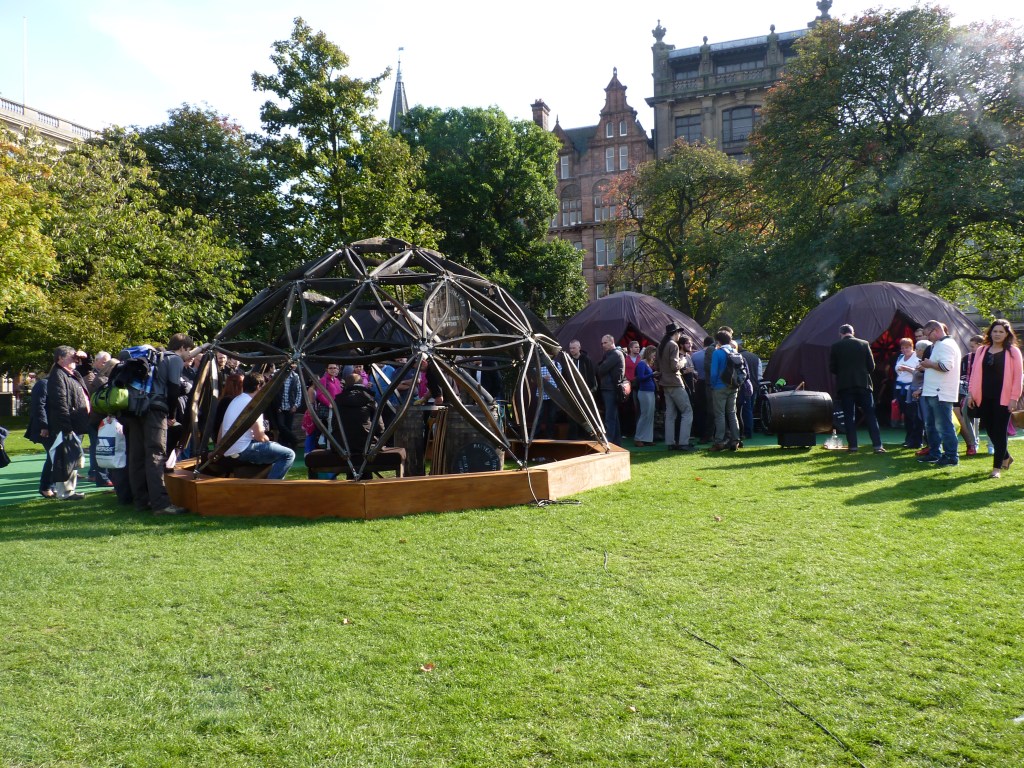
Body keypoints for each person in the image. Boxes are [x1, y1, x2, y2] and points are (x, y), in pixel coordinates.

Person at [122, 333, 194, 515]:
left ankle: (141, 501)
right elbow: (173, 389)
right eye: (189, 351)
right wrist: (172, 414)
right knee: (156, 455)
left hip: (135, 409)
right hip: (155, 411)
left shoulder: (154, 358)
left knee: (136, 455)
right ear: (183, 347)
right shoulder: (175, 360)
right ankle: (161, 504)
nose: (189, 356)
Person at [967, 319, 1023, 478]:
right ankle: (1006, 456)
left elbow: (1018, 377)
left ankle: (996, 468)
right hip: (983, 397)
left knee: (1000, 431)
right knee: (991, 431)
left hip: (1004, 398)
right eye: (995, 331)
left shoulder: (1013, 352)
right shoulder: (982, 350)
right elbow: (974, 374)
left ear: (1007, 334)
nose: (997, 334)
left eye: (1001, 332)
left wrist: (1014, 398)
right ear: (990, 333)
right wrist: (971, 393)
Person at [219, 373, 296, 480]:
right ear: (259, 387)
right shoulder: (253, 405)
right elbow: (259, 436)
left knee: (275, 449)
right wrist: (269, 440)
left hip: (230, 449)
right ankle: (271, 488)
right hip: (243, 449)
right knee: (288, 454)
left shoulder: (236, 400)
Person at [829, 324, 885, 453]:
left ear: (840, 333)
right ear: (852, 332)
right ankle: (877, 446)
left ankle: (853, 446)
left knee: (849, 417)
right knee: (870, 415)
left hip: (845, 385)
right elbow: (871, 367)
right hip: (863, 384)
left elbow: (832, 368)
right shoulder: (864, 344)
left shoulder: (836, 347)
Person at [46, 346, 91, 500]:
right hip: (67, 426)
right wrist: (66, 427)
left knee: (72, 459)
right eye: (71, 356)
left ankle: (69, 490)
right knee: (65, 459)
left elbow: (88, 371)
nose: (75, 359)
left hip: (76, 424)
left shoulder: (72, 374)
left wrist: (85, 358)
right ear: (60, 358)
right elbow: (60, 403)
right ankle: (65, 493)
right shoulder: (58, 375)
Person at [917, 320, 963, 466]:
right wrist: (927, 367)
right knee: (932, 425)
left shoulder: (945, 345)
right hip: (934, 391)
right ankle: (935, 453)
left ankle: (951, 456)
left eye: (927, 334)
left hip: (940, 392)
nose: (926, 338)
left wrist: (929, 364)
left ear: (935, 330)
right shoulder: (939, 344)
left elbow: (946, 366)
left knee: (944, 426)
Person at [658, 323, 695, 451]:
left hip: (665, 383)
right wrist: (683, 361)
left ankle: (670, 443)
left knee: (670, 414)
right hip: (675, 382)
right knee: (687, 411)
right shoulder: (673, 345)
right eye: (679, 333)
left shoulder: (662, 346)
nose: (680, 335)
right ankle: (683, 442)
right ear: (676, 333)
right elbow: (674, 366)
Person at [708, 329, 742, 451]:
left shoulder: (717, 353)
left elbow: (714, 373)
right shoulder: (734, 351)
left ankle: (719, 441)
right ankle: (735, 440)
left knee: (720, 415)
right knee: (732, 413)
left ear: (718, 341)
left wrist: (712, 385)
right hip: (733, 386)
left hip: (719, 386)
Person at [24, 370, 55, 499]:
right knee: (53, 455)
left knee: (55, 456)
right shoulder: (44, 384)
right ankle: (45, 486)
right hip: (45, 427)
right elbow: (39, 406)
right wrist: (44, 426)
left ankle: (50, 486)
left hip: (55, 426)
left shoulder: (56, 384)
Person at [955, 335, 985, 456]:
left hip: (983, 390)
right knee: (968, 413)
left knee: (981, 418)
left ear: (980, 345)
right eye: (971, 346)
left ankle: (988, 444)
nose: (971, 349)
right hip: (968, 389)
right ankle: (973, 442)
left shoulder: (986, 357)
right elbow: (962, 374)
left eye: (973, 346)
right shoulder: (967, 358)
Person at [563, 340, 598, 439]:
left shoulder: (586, 360)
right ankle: (573, 437)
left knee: (586, 415)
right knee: (573, 415)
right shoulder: (567, 360)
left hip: (584, 393)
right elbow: (564, 376)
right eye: (570, 348)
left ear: (579, 347)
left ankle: (587, 436)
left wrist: (590, 391)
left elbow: (591, 376)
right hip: (572, 393)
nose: (572, 350)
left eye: (574, 348)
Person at [596, 335, 625, 445]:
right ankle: (616, 442)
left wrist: (600, 366)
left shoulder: (615, 354)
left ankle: (609, 442)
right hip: (609, 388)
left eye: (605, 342)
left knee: (610, 417)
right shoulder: (611, 354)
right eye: (602, 343)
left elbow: (601, 369)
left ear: (612, 342)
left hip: (611, 389)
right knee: (613, 417)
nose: (603, 345)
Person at [893, 338, 921, 448]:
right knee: (906, 414)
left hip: (912, 388)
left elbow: (919, 373)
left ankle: (916, 439)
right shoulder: (900, 357)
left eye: (907, 347)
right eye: (903, 348)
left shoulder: (917, 357)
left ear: (912, 347)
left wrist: (906, 368)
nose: (905, 350)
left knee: (913, 414)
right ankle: (908, 438)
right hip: (901, 388)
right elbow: (897, 373)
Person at [633, 345, 658, 446]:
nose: (654, 356)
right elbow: (640, 378)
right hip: (644, 392)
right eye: (654, 354)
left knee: (650, 415)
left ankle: (647, 438)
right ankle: (638, 438)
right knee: (644, 415)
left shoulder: (648, 364)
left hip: (650, 392)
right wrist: (652, 374)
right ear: (649, 353)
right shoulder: (642, 364)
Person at [273, 363, 302, 449]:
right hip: (280, 407)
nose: (293, 367)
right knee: (281, 425)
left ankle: (286, 446)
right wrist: (277, 405)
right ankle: (294, 439)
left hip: (290, 406)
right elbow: (274, 391)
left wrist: (296, 405)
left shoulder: (295, 376)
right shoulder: (278, 374)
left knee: (288, 427)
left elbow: (299, 391)